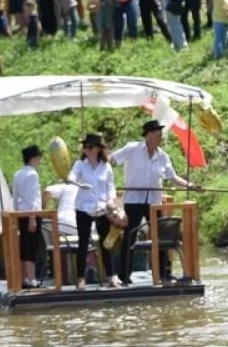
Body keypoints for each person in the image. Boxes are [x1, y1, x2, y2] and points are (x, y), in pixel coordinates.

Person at [111, 120, 198, 286]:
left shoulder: (162, 156)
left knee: (161, 236)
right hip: (134, 200)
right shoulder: (132, 148)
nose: (160, 137)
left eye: (160, 134)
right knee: (130, 236)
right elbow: (112, 159)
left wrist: (191, 185)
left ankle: (164, 273)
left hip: (154, 201)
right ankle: (124, 275)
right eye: (157, 134)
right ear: (149, 135)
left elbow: (173, 177)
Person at [67, 133, 116, 288]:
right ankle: (81, 279)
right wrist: (79, 184)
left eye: (90, 146)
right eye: (85, 146)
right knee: (83, 242)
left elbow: (111, 187)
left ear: (97, 149)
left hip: (101, 208)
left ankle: (110, 277)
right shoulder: (80, 164)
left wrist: (111, 199)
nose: (87, 149)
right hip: (84, 208)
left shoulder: (105, 166)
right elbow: (70, 177)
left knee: (105, 243)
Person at [13, 145, 44, 289]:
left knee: (24, 245)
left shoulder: (18, 174)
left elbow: (16, 196)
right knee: (32, 246)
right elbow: (32, 197)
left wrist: (16, 213)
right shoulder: (33, 174)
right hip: (32, 214)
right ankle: (31, 278)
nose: (40, 160)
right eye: (38, 157)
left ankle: (23, 277)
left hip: (21, 213)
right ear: (34, 158)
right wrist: (33, 218)